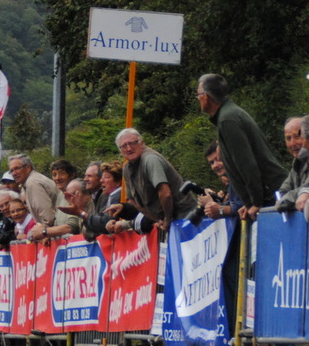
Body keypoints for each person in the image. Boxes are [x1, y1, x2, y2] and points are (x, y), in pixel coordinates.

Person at [197, 73, 286, 221]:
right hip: (267, 194)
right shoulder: (228, 115)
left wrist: (256, 202)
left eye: (198, 95)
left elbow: (246, 164)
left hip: (271, 196)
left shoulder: (227, 120)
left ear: (205, 97)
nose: (198, 100)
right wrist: (249, 202)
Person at [109, 128, 197, 235]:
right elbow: (132, 201)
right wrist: (158, 220)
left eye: (132, 143)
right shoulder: (127, 168)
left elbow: (165, 193)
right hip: (169, 222)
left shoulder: (150, 160)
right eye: (124, 146)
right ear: (120, 150)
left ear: (141, 142)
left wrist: (167, 220)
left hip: (186, 216)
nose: (129, 148)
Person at [7, 154, 58, 227]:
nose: (14, 173)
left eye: (17, 168)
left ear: (28, 167)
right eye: (11, 171)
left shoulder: (32, 183)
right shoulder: (32, 180)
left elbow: (48, 218)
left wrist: (39, 232)